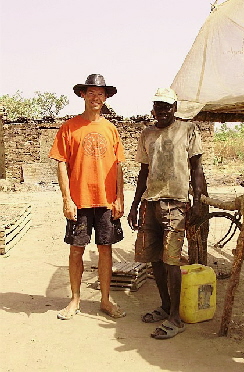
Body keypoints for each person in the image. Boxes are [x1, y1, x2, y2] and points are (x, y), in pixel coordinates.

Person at [128, 87, 204, 339]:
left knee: (172, 262)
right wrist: (134, 204)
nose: (162, 110)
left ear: (174, 108)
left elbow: (197, 170)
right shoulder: (147, 134)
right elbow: (143, 173)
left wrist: (199, 202)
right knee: (155, 260)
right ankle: (164, 305)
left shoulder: (188, 130)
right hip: (151, 204)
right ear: (153, 109)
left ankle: (176, 317)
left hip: (177, 205)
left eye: (167, 106)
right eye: (158, 106)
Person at [49, 73, 126, 320]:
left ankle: (105, 300)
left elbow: (118, 167)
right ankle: (74, 300)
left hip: (106, 201)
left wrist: (120, 198)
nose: (95, 97)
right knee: (75, 251)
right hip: (79, 201)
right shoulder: (69, 127)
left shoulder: (111, 129)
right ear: (83, 95)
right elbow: (61, 164)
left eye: (100, 93)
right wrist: (66, 199)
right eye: (91, 92)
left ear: (105, 98)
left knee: (105, 250)